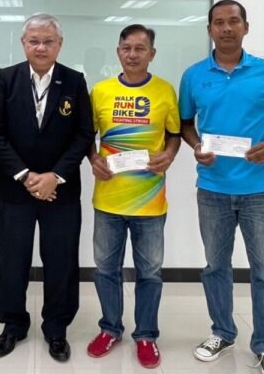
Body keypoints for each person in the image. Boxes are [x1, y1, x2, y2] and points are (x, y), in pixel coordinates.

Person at [178, 0, 264, 374]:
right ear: (209, 29)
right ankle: (223, 332)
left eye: (233, 21)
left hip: (259, 189)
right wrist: (196, 146)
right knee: (216, 266)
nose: (226, 28)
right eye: (218, 22)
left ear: (246, 27)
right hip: (212, 188)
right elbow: (185, 124)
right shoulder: (194, 75)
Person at [0, 13, 94, 362]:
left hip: (60, 191)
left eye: (48, 41)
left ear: (59, 45)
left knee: (61, 261)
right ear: (23, 44)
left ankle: (56, 328)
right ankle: (13, 325)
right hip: (15, 189)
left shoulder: (74, 80)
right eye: (34, 41)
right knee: (12, 260)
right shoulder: (7, 78)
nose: (41, 47)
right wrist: (25, 175)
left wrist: (54, 176)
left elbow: (83, 135)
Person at [86, 24, 180, 369]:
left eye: (140, 48)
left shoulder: (165, 91)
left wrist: (169, 155)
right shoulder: (100, 91)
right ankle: (110, 328)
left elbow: (174, 135)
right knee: (106, 270)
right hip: (108, 199)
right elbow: (86, 136)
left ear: (152, 53)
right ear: (118, 52)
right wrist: (93, 158)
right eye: (126, 48)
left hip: (150, 202)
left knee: (150, 273)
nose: (133, 54)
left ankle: (146, 335)